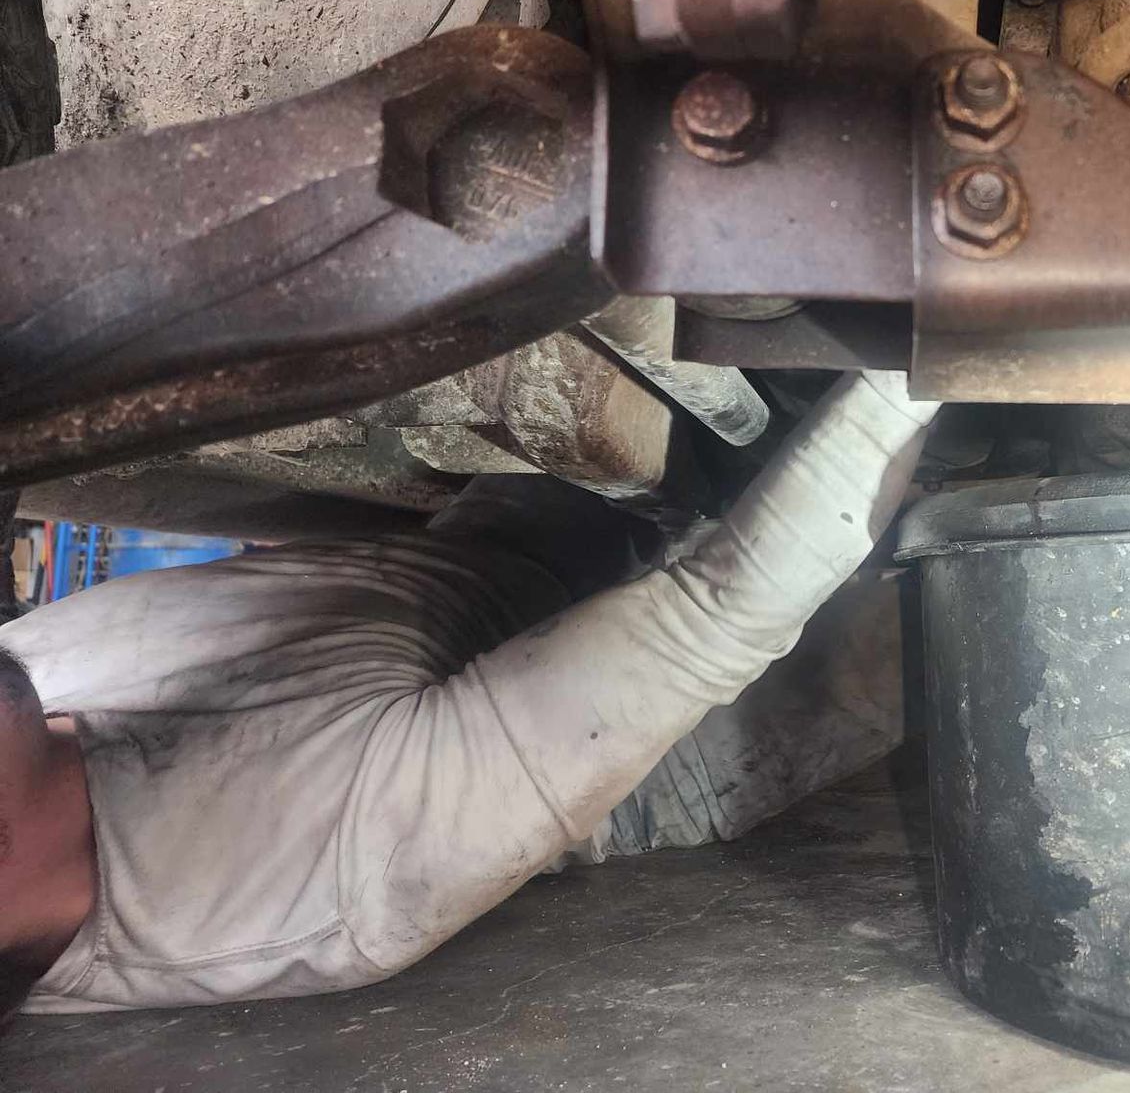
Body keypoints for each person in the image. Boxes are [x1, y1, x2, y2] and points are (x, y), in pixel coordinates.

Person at [0, 371, 937, 1016]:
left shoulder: (22, 707)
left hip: (507, 546)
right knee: (961, 587)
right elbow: (715, 616)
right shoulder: (321, 882)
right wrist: (942, 342)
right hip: (686, 736)